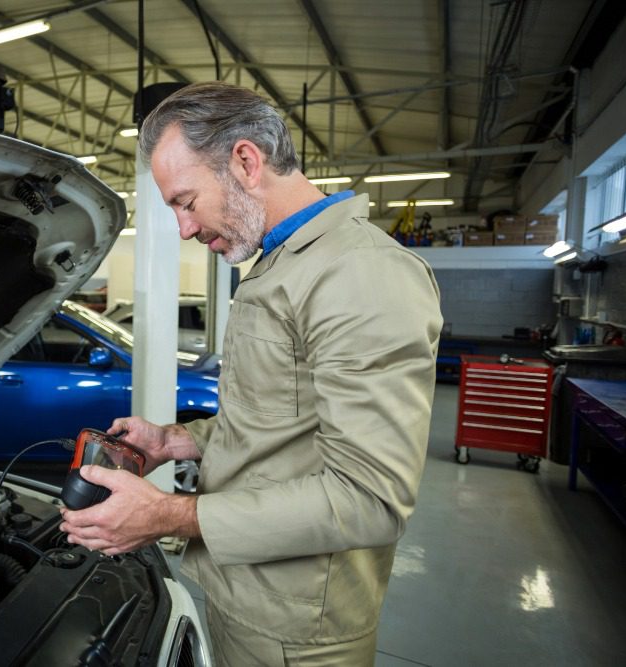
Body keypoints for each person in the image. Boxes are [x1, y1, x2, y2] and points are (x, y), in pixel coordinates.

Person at [59, 81, 442, 665]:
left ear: (245, 160)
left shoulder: (359, 276)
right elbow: (277, 421)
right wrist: (179, 440)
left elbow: (371, 498)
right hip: (241, 587)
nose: (185, 229)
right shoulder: (278, 264)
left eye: (186, 202)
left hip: (297, 625)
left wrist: (171, 516)